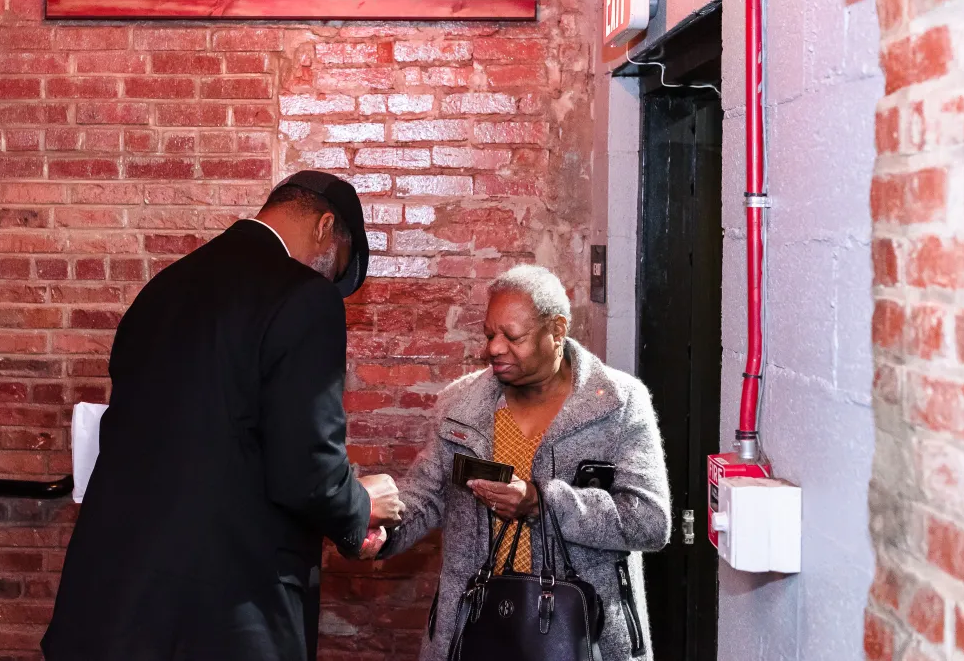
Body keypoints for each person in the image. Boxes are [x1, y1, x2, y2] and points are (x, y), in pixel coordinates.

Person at [42, 171, 404, 661]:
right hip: (225, 616)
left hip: (111, 606)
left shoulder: (162, 289)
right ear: (324, 227)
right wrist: (359, 508)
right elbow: (305, 468)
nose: (328, 280)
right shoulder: (304, 296)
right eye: (336, 267)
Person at [379, 265, 670, 661]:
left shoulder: (618, 405)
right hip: (478, 629)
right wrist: (382, 533)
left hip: (584, 637)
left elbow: (649, 522)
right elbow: (427, 496)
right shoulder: (461, 406)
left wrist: (542, 503)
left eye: (511, 336)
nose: (494, 349)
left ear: (557, 331)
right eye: (489, 335)